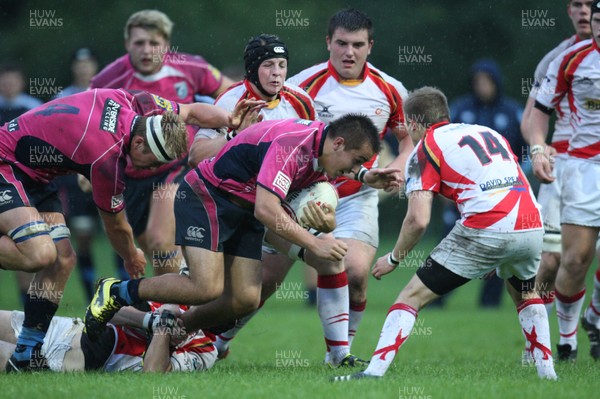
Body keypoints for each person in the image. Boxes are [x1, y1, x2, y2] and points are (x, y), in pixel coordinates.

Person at [84, 115, 403, 366]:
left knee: (245, 300)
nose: (357, 167)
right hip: (206, 197)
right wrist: (313, 243)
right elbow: (267, 208)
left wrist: (364, 177)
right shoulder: (293, 145)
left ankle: (181, 328)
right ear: (339, 143)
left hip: (243, 210)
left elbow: (270, 204)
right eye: (358, 160)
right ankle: (116, 290)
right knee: (205, 287)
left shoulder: (325, 146)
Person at [210, 8, 412, 363]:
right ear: (328, 43)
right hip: (302, 192)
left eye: (358, 45)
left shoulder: (391, 88)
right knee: (265, 280)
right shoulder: (302, 86)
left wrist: (396, 164)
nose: (349, 52)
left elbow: (409, 137)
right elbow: (292, 143)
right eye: (342, 43)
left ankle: (340, 353)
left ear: (370, 46)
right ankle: (220, 340)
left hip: (357, 196)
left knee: (355, 271)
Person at [0, 88, 251, 372]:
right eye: (153, 162)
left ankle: (25, 353)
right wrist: (132, 257)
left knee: (62, 259)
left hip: (38, 176)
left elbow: (192, 112)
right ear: (140, 143)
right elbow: (116, 227)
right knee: (38, 255)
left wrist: (232, 121)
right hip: (6, 161)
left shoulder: (138, 105)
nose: (151, 169)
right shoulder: (108, 160)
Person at [333, 86, 557, 382]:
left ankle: (373, 373)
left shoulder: (425, 148)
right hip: (531, 221)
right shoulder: (487, 132)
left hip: (488, 225)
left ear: (414, 124)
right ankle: (548, 375)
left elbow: (418, 220)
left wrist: (394, 257)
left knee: (410, 296)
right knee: (526, 292)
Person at [90, 9, 235, 275]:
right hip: (130, 175)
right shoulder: (107, 81)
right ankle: (175, 306)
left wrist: (226, 131)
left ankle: (195, 286)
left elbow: (233, 93)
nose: (146, 50)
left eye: (153, 43)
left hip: (175, 166)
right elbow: (89, 126)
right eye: (139, 43)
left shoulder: (191, 67)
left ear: (166, 45)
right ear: (127, 45)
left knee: (159, 238)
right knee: (156, 253)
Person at [527, 0, 600, 362]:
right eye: (579, 4)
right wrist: (539, 150)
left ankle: (594, 315)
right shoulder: (562, 58)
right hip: (573, 169)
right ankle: (548, 341)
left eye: (592, 6)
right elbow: (534, 117)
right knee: (560, 261)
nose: (586, 13)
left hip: (578, 167)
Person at [445, 58, 526, 308]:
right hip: (464, 192)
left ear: (497, 83)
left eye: (487, 81)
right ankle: (436, 296)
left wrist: (519, 180)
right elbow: (445, 148)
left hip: (503, 192)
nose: (482, 86)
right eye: (477, 81)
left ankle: (489, 303)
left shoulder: (513, 112)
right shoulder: (460, 110)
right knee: (449, 243)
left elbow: (528, 150)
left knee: (500, 246)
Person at [0, 303, 217, 373]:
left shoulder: (205, 351)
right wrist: (156, 318)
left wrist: (163, 331)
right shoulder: (178, 296)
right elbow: (103, 308)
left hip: (79, 357)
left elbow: (153, 372)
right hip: (69, 327)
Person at [0, 64, 45, 306]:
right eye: (4, 80)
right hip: (3, 185)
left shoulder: (32, 108)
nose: (8, 85)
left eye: (12, 80)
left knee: (27, 245)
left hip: (26, 186)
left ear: (21, 82)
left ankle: (27, 311)